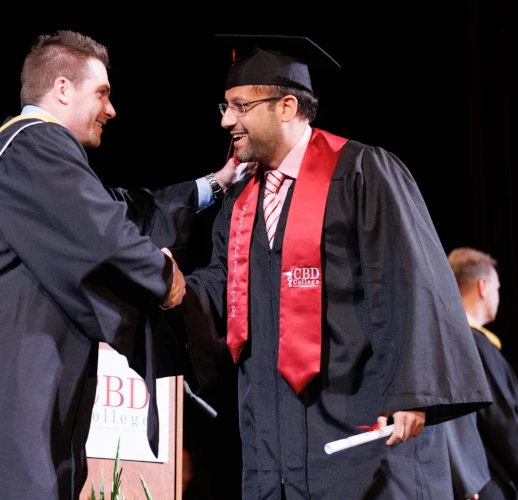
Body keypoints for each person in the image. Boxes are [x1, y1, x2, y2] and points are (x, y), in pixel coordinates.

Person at [0, 30, 239, 500]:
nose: (111, 109)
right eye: (102, 93)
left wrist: (215, 185)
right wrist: (165, 281)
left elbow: (117, 209)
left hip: (3, 394)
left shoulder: (23, 156)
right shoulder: (34, 144)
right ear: (62, 88)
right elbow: (101, 228)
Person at [177, 34, 493, 499]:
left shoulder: (362, 172)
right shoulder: (241, 202)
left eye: (241, 106)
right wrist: (171, 287)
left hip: (363, 439)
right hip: (273, 452)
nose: (228, 121)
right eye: (225, 107)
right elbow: (224, 289)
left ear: (286, 107)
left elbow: (410, 280)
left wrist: (412, 392)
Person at [447, 247, 518, 499]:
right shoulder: (477, 345)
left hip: (460, 480)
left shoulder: (442, 339)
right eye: (497, 289)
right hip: (488, 478)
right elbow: (503, 420)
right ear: (483, 286)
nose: (498, 296)